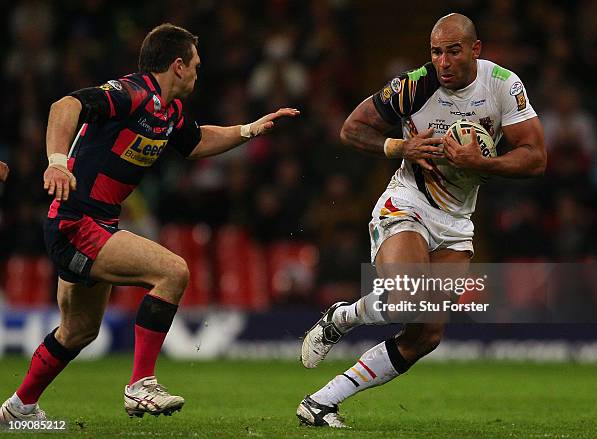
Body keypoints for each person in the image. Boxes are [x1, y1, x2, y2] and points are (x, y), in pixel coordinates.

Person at [0, 23, 299, 422]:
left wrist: (248, 130)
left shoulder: (168, 110)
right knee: (173, 272)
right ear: (177, 65)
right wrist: (56, 163)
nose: (197, 72)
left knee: (79, 330)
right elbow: (64, 106)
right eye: (195, 64)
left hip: (92, 223)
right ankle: (141, 385)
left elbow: (195, 142)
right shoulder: (131, 93)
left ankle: (20, 408)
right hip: (77, 222)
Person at [297, 13, 545, 428]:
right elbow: (351, 129)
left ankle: (320, 403)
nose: (443, 62)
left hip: (457, 222)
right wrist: (401, 145)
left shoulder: (503, 84)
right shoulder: (415, 86)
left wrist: (484, 163)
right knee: (407, 298)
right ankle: (342, 317)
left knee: (425, 335)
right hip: (407, 203)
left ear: (475, 49)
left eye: (453, 51)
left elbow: (535, 158)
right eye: (435, 52)